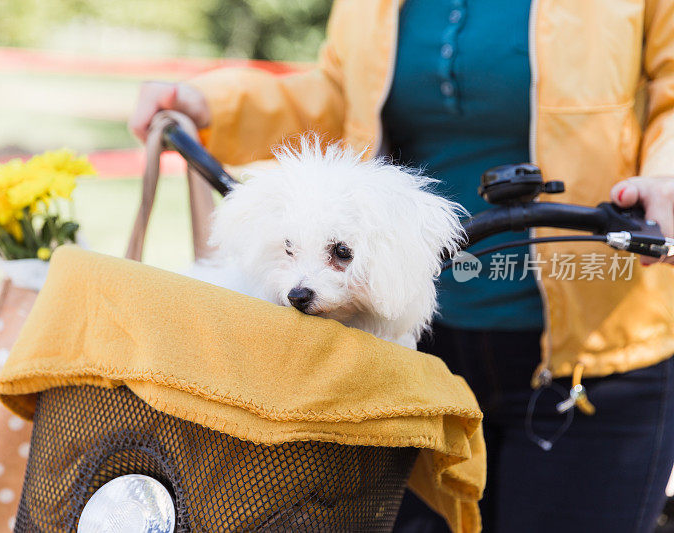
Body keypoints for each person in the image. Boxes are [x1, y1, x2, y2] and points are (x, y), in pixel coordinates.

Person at [129, 1, 674, 531]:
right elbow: (339, 91)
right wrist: (214, 105)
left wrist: (667, 177)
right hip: (400, 352)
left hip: (599, 349)